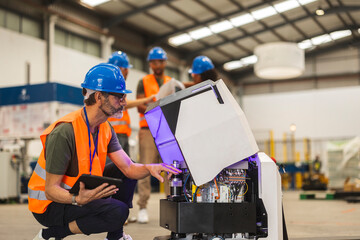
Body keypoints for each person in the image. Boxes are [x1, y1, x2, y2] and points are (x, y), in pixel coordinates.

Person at [28, 63, 181, 240]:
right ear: (99, 97)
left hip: (80, 190)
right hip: (49, 205)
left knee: (123, 173)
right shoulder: (65, 132)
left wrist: (150, 168)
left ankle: (115, 237)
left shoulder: (105, 128)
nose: (124, 103)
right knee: (118, 213)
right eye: (119, 97)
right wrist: (77, 199)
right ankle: (52, 234)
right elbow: (50, 190)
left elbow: (129, 167)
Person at [135, 46, 172, 223]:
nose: (157, 64)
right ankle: (142, 207)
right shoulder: (143, 81)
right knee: (145, 169)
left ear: (165, 63)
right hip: (147, 130)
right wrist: (158, 106)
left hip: (166, 131)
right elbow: (140, 106)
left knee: (170, 168)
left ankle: (173, 203)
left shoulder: (170, 81)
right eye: (154, 62)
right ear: (150, 64)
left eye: (160, 61)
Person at [107, 51, 153, 155]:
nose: (128, 71)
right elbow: (123, 104)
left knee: (124, 168)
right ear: (118, 69)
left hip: (121, 134)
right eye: (125, 68)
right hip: (114, 134)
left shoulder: (116, 85)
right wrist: (145, 100)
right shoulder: (111, 85)